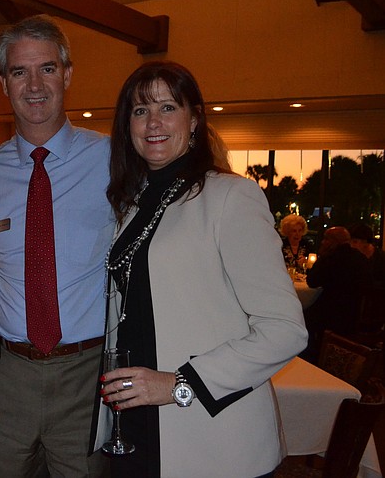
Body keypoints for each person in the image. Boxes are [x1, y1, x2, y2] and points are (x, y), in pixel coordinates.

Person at [96, 61, 307, 477]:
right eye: (140, 111)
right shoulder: (133, 203)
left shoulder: (231, 196)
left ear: (194, 119)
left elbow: (285, 329)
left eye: (168, 107)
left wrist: (179, 383)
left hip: (206, 427)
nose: (153, 122)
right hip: (136, 417)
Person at [0, 14, 114, 477]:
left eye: (46, 68)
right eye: (18, 71)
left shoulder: (113, 159)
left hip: (87, 375)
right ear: (3, 83)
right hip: (5, 373)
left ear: (67, 74)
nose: (34, 84)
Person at [303, 226, 374, 359]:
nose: (323, 242)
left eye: (325, 239)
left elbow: (312, 282)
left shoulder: (330, 258)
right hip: (353, 314)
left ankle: (309, 356)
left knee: (302, 315)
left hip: (330, 313)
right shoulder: (361, 259)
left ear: (332, 242)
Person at [349, 222, 385, 333]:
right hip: (356, 307)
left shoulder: (381, 259)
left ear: (365, 242)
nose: (351, 245)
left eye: (355, 242)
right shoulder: (354, 258)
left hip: (377, 309)